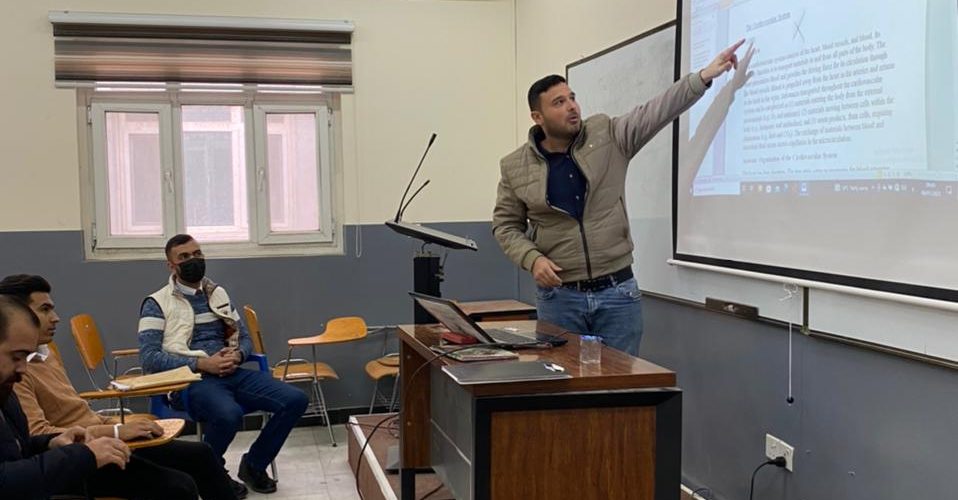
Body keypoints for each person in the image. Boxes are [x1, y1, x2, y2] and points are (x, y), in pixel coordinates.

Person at [493, 39, 747, 356]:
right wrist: (532, 259)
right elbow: (506, 226)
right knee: (562, 381)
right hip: (560, 298)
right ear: (537, 117)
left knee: (623, 382)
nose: (571, 106)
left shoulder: (608, 135)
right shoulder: (515, 166)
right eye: (558, 102)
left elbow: (656, 111)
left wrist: (704, 76)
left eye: (572, 98)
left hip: (617, 294)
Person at [0, 274, 241, 500]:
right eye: (44, 310)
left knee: (201, 454)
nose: (55, 317)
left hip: (86, 444)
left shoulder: (43, 354)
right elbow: (34, 437)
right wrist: (114, 432)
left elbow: (56, 425)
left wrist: (113, 427)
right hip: (76, 458)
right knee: (178, 485)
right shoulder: (13, 375)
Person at [138, 234, 309, 494]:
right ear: (171, 265)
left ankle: (254, 465)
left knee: (295, 400)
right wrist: (201, 364)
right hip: (191, 381)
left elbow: (245, 338)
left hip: (231, 372)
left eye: (197, 254)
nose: (193, 260)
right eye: (184, 257)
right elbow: (149, 358)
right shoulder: (156, 303)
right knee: (228, 415)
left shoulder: (217, 293)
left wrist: (238, 354)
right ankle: (212, 473)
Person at [0, 295, 138, 500]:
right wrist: (83, 455)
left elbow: (18, 449)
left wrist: (50, 443)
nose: (23, 368)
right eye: (16, 357)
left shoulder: (6, 391)